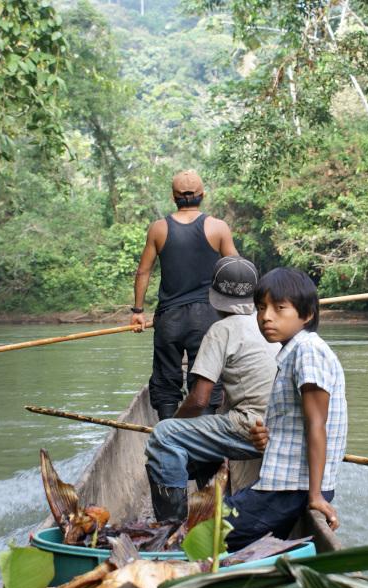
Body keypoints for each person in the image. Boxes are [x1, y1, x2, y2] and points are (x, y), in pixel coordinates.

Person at [146, 256, 280, 522]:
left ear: (214, 296)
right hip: (277, 426)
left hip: (250, 427)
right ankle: (214, 504)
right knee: (203, 428)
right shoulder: (269, 323)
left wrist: (175, 427)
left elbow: (199, 399)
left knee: (163, 436)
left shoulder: (221, 330)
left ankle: (170, 526)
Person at [225, 268, 347, 550]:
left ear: (307, 315)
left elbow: (318, 425)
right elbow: (297, 425)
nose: (266, 316)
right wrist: (267, 440)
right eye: (261, 308)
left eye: (279, 308)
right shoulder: (295, 351)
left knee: (203, 527)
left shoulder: (308, 351)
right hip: (286, 483)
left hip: (293, 489)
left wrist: (315, 496)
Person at [130, 170, 237, 420]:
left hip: (169, 320)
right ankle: (205, 443)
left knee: (166, 382)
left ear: (173, 197)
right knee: (206, 379)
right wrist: (238, 309)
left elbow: (143, 272)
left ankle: (168, 436)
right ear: (202, 195)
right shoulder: (218, 228)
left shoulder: (158, 229)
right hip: (207, 319)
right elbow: (237, 270)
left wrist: (137, 312)